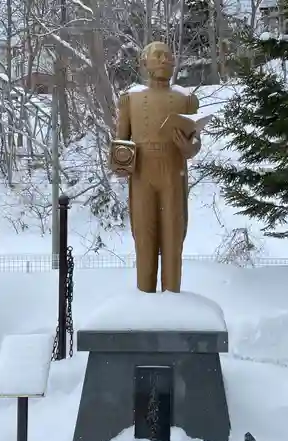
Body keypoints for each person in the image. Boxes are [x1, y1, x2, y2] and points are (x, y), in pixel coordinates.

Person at [115, 41, 202, 293]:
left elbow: (196, 142)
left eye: (169, 55)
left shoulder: (186, 100)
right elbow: (121, 141)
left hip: (173, 172)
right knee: (144, 238)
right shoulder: (130, 99)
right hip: (142, 173)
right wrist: (120, 163)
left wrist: (188, 148)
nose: (166, 59)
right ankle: (145, 297)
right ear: (145, 63)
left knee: (173, 238)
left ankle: (172, 295)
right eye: (159, 56)